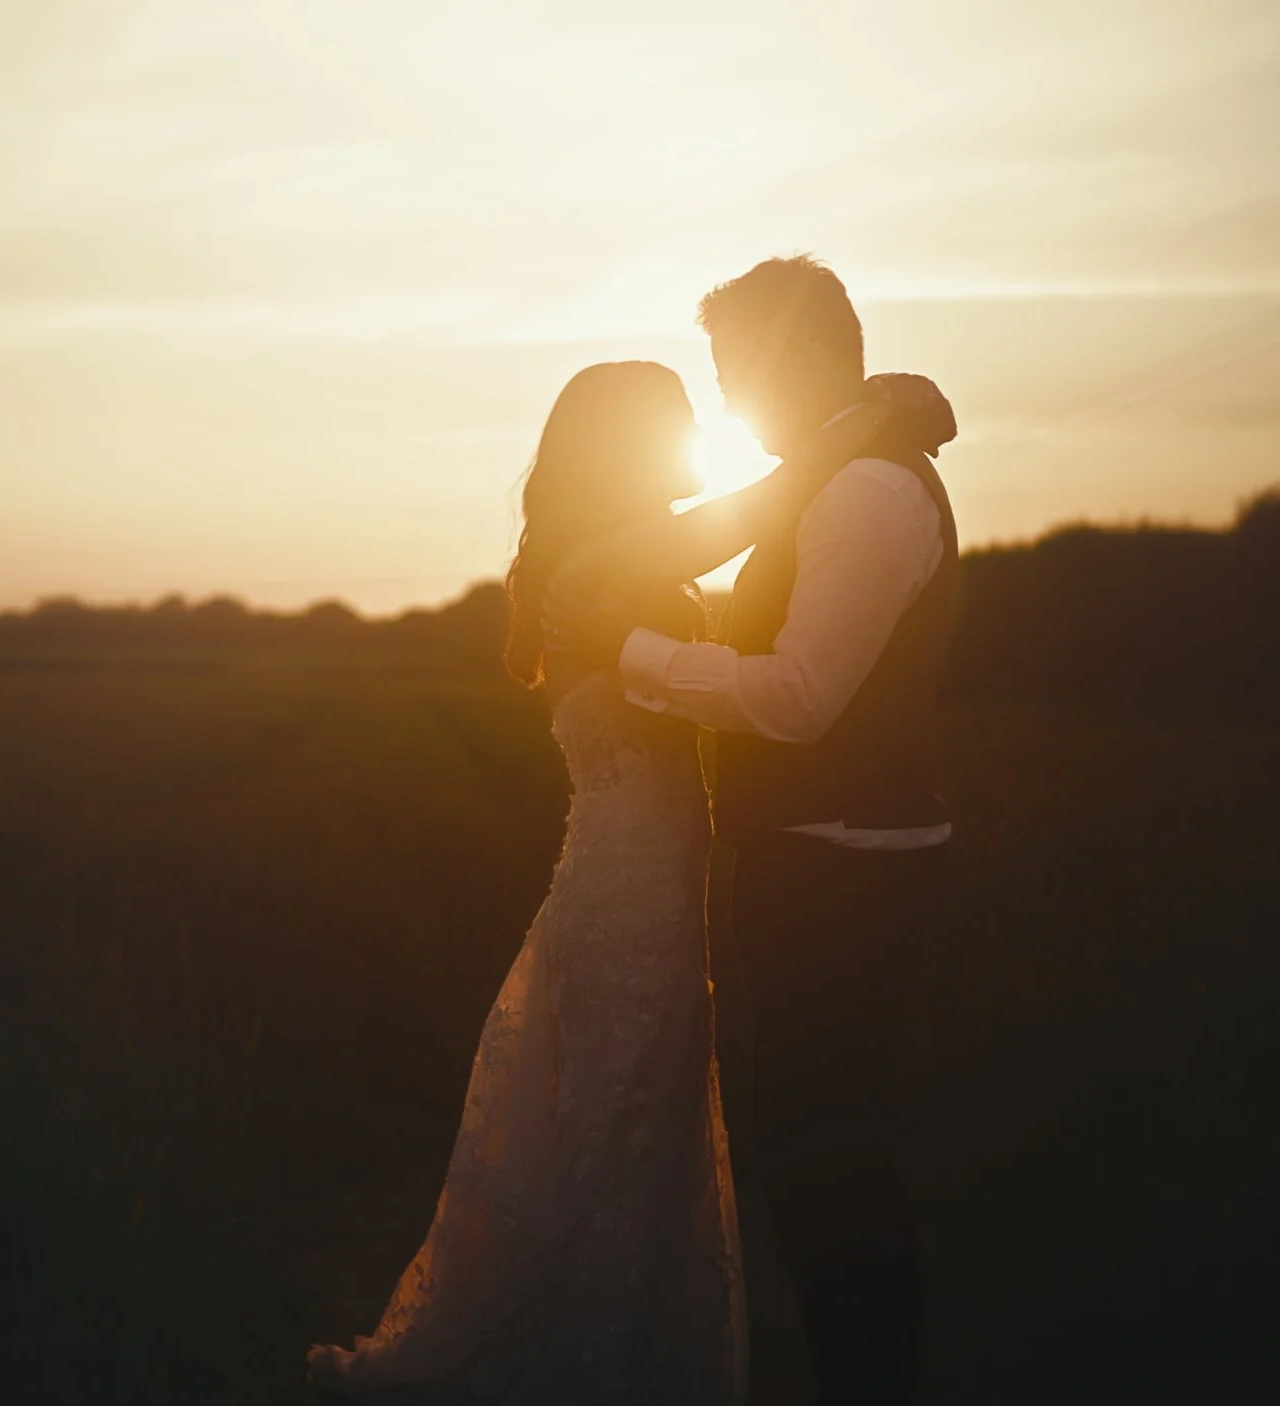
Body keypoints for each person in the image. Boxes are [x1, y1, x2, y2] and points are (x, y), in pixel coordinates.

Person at [306, 357, 938, 1403]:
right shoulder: (607, 565)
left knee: (632, 1136)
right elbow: (763, 505)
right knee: (621, 1135)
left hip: (634, 881)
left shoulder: (612, 562)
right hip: (630, 892)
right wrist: (875, 416)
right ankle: (587, 1361)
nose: (690, 444)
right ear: (621, 448)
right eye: (674, 426)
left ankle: (620, 1346)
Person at [551, 256, 961, 1405]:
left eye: (734, 369)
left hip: (847, 868)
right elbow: (722, 534)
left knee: (833, 1168)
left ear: (795, 358)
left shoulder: (865, 489)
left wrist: (632, 653)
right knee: (815, 1161)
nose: (728, 401)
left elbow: (797, 696)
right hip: (818, 862)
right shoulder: (828, 472)